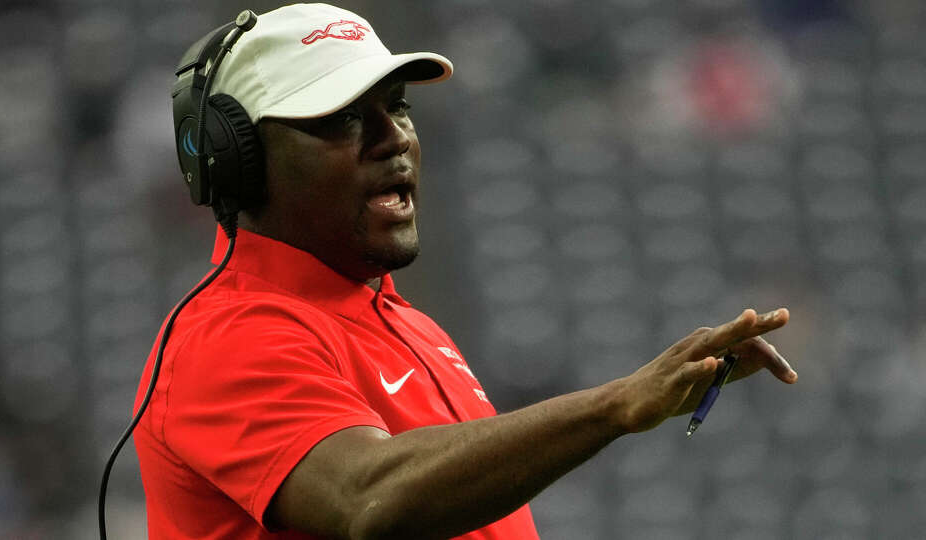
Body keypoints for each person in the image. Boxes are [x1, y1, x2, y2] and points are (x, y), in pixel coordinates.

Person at [133, 4, 798, 540]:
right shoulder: (223, 337)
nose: (393, 136)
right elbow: (369, 499)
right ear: (238, 161)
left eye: (397, 107)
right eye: (341, 120)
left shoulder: (408, 326)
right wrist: (616, 406)